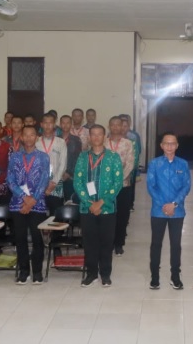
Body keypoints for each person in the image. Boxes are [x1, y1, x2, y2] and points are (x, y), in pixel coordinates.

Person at [74, 124, 123, 287]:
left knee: (106, 242)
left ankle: (105, 274)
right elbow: (77, 182)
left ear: (104, 137)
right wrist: (89, 203)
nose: (96, 137)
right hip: (86, 208)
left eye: (99, 134)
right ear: (89, 137)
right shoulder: (82, 157)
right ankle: (91, 273)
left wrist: (101, 202)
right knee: (89, 242)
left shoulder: (113, 157)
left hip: (107, 208)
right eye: (93, 134)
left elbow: (117, 183)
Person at [146, 132, 191, 290]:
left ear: (177, 145)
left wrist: (174, 204)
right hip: (158, 211)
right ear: (162, 145)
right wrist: (164, 205)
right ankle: (154, 277)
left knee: (176, 245)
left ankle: (175, 277)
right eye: (167, 143)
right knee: (156, 244)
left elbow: (186, 186)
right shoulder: (154, 164)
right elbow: (151, 186)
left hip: (177, 211)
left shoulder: (183, 164)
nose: (169, 146)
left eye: (173, 143)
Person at [7, 125, 51, 284]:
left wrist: (33, 199)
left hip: (37, 204)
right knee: (20, 239)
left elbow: (45, 179)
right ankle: (24, 271)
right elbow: (10, 179)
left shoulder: (44, 157)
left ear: (36, 137)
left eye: (32, 135)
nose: (29, 138)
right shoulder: (15, 157)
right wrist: (24, 197)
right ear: (21, 137)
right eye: (25, 135)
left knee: (37, 238)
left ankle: (37, 272)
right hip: (18, 204)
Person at [105, 116, 135, 256]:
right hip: (105, 187)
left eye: (118, 125)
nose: (116, 127)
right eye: (113, 125)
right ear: (109, 126)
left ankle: (119, 243)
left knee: (122, 215)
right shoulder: (103, 142)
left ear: (122, 126)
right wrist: (108, 181)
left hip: (123, 185)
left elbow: (130, 164)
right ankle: (108, 242)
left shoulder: (128, 143)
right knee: (107, 215)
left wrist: (117, 180)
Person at [36, 113, 67, 215]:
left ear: (54, 125)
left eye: (50, 123)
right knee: (39, 215)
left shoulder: (61, 142)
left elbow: (63, 164)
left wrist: (53, 183)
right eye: (45, 123)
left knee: (56, 216)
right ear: (41, 124)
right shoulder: (36, 141)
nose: (48, 125)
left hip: (56, 184)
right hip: (38, 184)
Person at [59, 115, 83, 201]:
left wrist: (69, 173)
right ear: (60, 124)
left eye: (68, 123)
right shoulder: (56, 139)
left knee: (69, 201)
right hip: (57, 176)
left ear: (71, 124)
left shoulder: (76, 140)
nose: (65, 125)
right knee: (57, 202)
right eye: (63, 123)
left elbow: (78, 158)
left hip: (70, 176)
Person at [120, 114, 141, 211]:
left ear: (129, 127)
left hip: (129, 172)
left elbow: (136, 155)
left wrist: (129, 170)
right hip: (113, 173)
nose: (123, 128)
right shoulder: (111, 140)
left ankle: (129, 205)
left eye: (125, 126)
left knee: (128, 190)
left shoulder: (132, 141)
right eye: (121, 126)